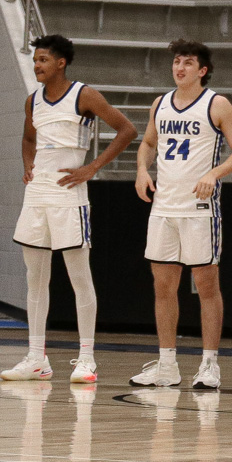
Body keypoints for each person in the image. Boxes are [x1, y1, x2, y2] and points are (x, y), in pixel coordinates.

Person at [1, 35, 136, 383]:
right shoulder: (33, 101)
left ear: (61, 63)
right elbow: (28, 139)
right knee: (35, 278)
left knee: (79, 278)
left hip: (69, 195)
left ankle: (87, 357)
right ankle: (36, 357)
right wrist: (28, 165)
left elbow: (127, 129)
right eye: (35, 60)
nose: (37, 65)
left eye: (43, 59)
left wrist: (92, 168)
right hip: (38, 194)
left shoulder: (84, 95)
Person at [130, 40, 232, 389]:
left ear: (203, 70)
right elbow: (149, 143)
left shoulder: (217, 104)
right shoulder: (160, 104)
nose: (179, 67)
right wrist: (141, 169)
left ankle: (210, 364)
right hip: (164, 207)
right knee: (163, 286)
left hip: (199, 209)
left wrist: (214, 173)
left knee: (206, 286)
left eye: (188, 62)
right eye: (177, 61)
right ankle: (167, 365)